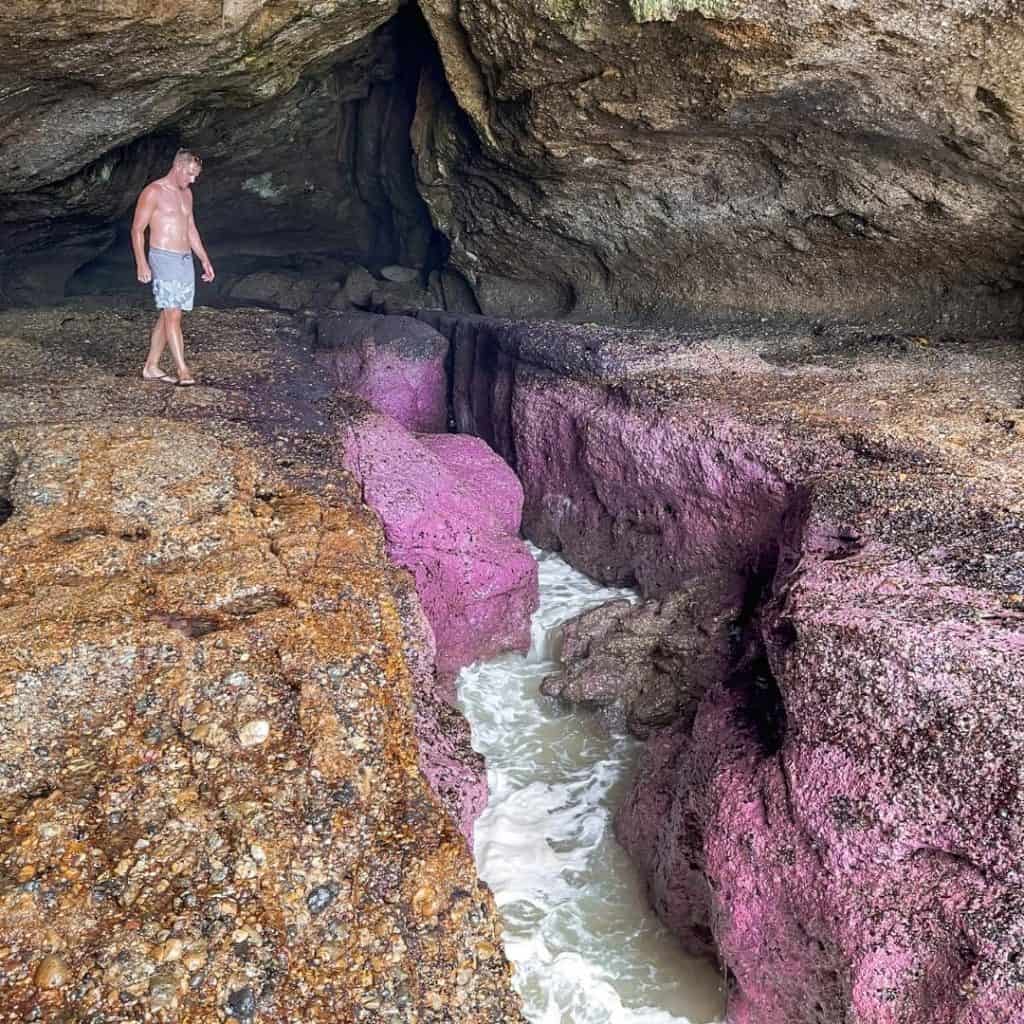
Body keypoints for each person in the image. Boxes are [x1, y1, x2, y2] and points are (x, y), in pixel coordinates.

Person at [131, 148, 215, 385]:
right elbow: (138, 229)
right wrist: (141, 262)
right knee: (173, 314)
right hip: (163, 257)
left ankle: (151, 366)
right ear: (178, 167)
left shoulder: (187, 194)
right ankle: (183, 370)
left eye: (195, 176)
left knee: (168, 314)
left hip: (184, 258)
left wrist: (204, 259)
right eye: (189, 174)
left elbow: (191, 229)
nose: (192, 180)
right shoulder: (153, 192)